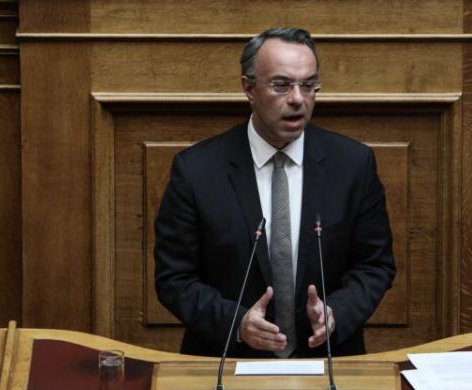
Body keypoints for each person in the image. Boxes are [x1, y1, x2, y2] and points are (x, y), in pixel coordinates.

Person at [155, 27, 395, 358]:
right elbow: (174, 279)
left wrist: (336, 312)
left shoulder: (354, 164)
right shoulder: (196, 170)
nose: (298, 98)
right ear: (248, 88)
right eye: (281, 85)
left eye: (308, 85)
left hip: (327, 360)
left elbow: (375, 265)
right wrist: (237, 323)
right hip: (228, 360)